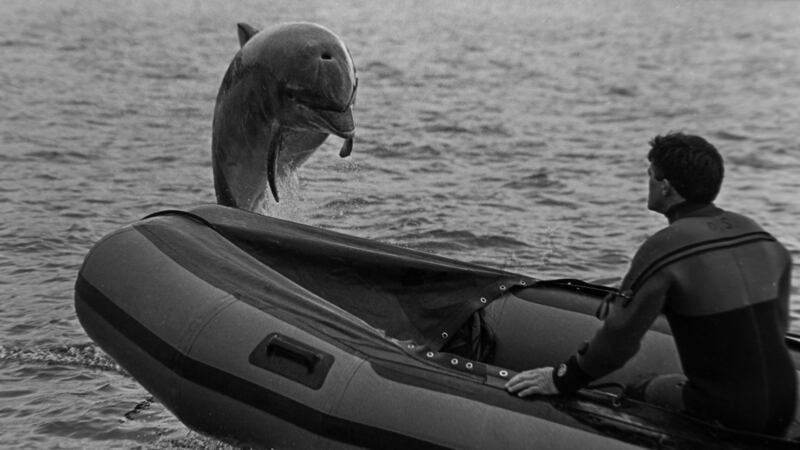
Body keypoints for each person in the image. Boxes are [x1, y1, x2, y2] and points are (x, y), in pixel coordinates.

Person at [505, 132, 796, 435]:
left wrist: (561, 379)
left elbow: (618, 343)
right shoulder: (761, 237)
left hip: (728, 411)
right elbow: (774, 325)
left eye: (650, 174)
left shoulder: (666, 246)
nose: (647, 181)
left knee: (639, 388)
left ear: (666, 187)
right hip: (785, 405)